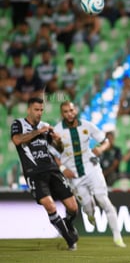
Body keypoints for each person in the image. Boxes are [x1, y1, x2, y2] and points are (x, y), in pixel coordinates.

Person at [53, 101, 126, 248]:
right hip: (74, 175)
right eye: (66, 111)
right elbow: (54, 154)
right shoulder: (57, 130)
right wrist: (62, 168)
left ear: (76, 111)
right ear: (62, 114)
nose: (69, 114)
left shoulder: (87, 125)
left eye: (71, 110)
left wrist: (101, 149)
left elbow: (105, 142)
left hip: (92, 169)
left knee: (103, 200)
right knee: (88, 208)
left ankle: (117, 237)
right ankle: (90, 214)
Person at [10, 97, 79, 250]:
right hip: (34, 173)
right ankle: (69, 240)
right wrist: (38, 132)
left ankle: (68, 223)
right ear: (29, 109)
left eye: (41, 110)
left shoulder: (45, 126)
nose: (39, 113)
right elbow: (17, 140)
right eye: (36, 109)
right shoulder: (18, 124)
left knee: (73, 208)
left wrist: (58, 140)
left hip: (52, 170)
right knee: (50, 205)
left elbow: (59, 149)